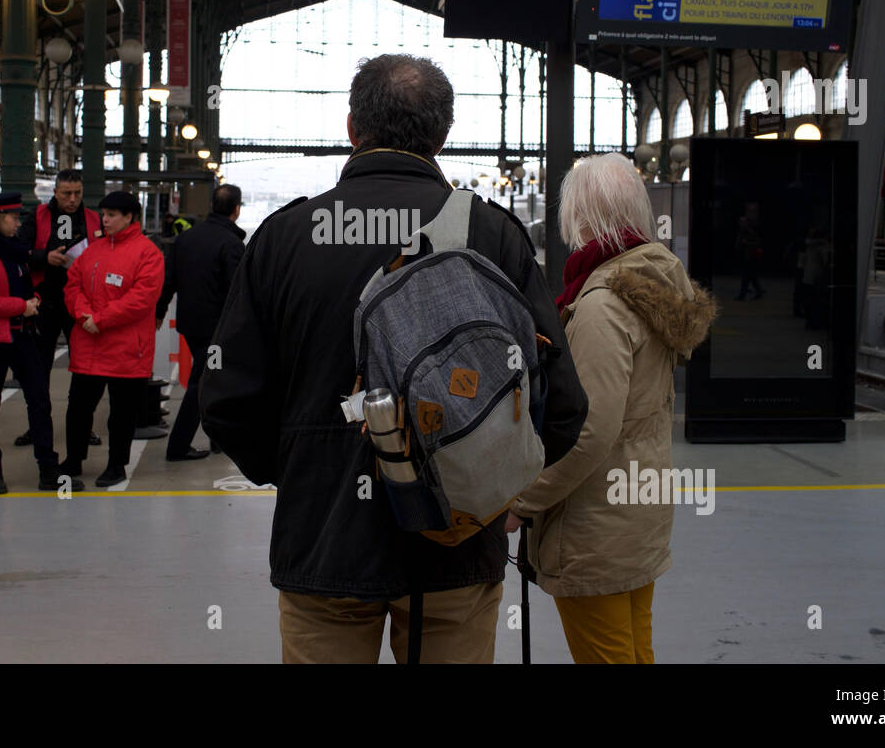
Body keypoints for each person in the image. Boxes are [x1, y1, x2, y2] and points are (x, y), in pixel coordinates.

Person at [199, 54, 588, 664]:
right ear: (444, 134)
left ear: (353, 127)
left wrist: (306, 467)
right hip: (457, 541)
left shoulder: (285, 235)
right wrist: (493, 482)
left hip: (322, 540)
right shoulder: (493, 234)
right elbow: (562, 404)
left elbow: (226, 399)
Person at [508, 153, 717, 664]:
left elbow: (590, 432)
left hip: (595, 524)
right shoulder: (656, 282)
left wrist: (522, 502)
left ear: (583, 216)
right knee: (633, 649)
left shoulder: (602, 304)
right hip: (637, 511)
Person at [0, 192, 85, 495]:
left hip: (23, 333)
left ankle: (48, 469)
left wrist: (34, 300)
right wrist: (21, 306)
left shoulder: (13, 251)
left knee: (40, 400)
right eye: (14, 218)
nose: (18, 223)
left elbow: (27, 286)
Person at [59, 191, 165, 487]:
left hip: (126, 350)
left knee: (122, 413)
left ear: (130, 217)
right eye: (103, 214)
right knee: (78, 409)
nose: (104, 220)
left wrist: (100, 320)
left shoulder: (148, 253)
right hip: (89, 346)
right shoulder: (94, 250)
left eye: (111, 215)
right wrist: (83, 315)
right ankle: (73, 460)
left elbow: (142, 299)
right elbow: (72, 285)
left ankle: (117, 464)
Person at [156, 183, 246, 461]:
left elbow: (169, 279)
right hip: (217, 329)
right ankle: (178, 446)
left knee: (213, 380)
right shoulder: (231, 244)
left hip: (191, 323)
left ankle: (217, 439)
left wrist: (159, 312)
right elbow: (236, 292)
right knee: (203, 383)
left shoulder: (186, 239)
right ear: (236, 209)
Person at [14, 168, 102, 448]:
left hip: (80, 304)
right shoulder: (37, 217)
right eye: (67, 194)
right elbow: (18, 252)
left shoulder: (92, 219)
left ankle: (82, 426)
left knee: (85, 369)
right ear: (55, 192)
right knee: (39, 369)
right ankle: (37, 425)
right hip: (44, 303)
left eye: (77, 193)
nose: (73, 199)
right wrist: (43, 257)